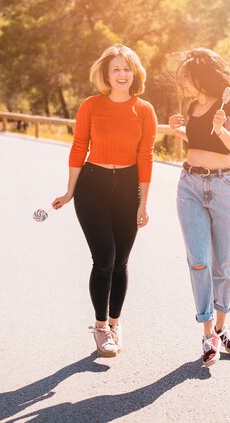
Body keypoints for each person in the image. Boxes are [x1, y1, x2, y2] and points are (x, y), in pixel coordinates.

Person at [52, 44, 158, 357]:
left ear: (134, 73)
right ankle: (100, 327)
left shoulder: (145, 110)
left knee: (121, 262)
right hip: (93, 186)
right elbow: (78, 147)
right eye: (116, 69)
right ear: (107, 74)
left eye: (127, 69)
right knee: (105, 259)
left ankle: (115, 323)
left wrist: (143, 202)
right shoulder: (91, 105)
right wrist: (69, 190)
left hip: (128, 187)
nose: (122, 74)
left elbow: (146, 156)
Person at [169, 48, 230, 368]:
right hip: (190, 185)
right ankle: (207, 334)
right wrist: (179, 128)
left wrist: (221, 128)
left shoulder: (229, 103)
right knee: (199, 261)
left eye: (186, 79)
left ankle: (222, 327)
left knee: (224, 264)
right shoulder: (193, 106)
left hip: (224, 188)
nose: (183, 85)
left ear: (201, 76)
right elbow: (198, 140)